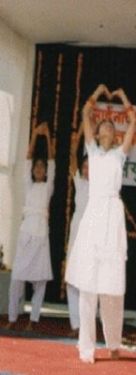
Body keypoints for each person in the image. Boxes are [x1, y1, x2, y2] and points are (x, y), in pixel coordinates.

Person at [65, 84, 136, 363]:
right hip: (94, 215)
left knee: (111, 287)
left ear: (115, 135)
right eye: (103, 123)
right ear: (96, 133)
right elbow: (85, 111)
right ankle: (86, 347)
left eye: (110, 124)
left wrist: (121, 97)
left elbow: (133, 121)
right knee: (87, 284)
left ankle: (114, 342)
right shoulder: (92, 152)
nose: (107, 125)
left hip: (112, 218)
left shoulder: (119, 154)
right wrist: (97, 92)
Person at [7, 123, 55, 331]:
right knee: (17, 277)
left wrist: (48, 138)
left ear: (45, 172)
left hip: (41, 235)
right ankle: (12, 317)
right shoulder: (29, 184)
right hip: (27, 232)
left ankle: (33, 320)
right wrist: (35, 135)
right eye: (36, 167)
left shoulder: (48, 186)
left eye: (41, 167)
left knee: (40, 281)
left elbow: (53, 161)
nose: (38, 169)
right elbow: (27, 158)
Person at [65, 126, 89, 336]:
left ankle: (88, 324)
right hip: (76, 229)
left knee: (89, 279)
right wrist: (75, 143)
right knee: (72, 277)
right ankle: (76, 324)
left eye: (90, 166)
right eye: (85, 166)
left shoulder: (99, 186)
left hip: (91, 232)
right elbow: (72, 163)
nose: (87, 169)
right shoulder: (80, 183)